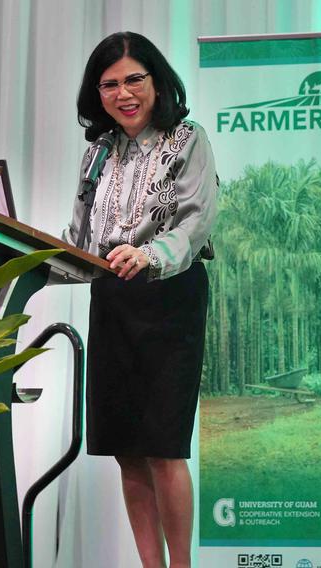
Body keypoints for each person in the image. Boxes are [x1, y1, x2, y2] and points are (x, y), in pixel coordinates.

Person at [67, 31, 218, 568]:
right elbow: (81, 232)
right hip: (112, 298)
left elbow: (197, 220)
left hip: (169, 297)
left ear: (156, 81)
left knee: (164, 447)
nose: (123, 93)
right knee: (127, 450)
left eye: (134, 79)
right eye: (110, 84)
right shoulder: (98, 152)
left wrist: (150, 255)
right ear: (97, 92)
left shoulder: (187, 138)